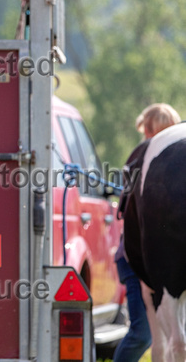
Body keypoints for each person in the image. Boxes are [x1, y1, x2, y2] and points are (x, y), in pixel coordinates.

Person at [113, 103, 181, 362]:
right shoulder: (145, 159)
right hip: (135, 262)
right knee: (144, 332)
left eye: (146, 131)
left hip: (143, 257)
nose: (144, 138)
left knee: (151, 333)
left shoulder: (150, 157)